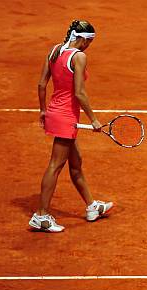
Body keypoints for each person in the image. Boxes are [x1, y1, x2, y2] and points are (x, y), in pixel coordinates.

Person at [29, 20, 113, 232]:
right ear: (83, 39)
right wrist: (93, 119)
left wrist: (42, 110)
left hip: (55, 112)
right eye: (89, 42)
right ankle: (41, 215)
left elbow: (41, 84)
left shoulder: (55, 51)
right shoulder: (79, 57)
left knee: (76, 163)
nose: (89, 46)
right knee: (56, 165)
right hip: (66, 116)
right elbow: (79, 93)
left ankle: (92, 206)